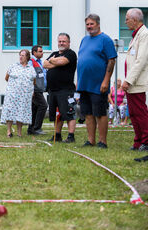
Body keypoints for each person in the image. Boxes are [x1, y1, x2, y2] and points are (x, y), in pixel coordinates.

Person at [76, 14, 117, 148]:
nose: (89, 27)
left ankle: (102, 141)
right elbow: (82, 60)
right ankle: (91, 140)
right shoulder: (84, 40)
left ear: (98, 24)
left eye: (91, 24)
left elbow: (111, 60)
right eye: (87, 24)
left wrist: (106, 81)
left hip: (99, 84)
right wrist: (78, 80)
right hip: (84, 83)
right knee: (87, 113)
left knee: (100, 113)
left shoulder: (105, 40)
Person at [122, 8, 148, 152]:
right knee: (132, 113)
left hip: (136, 82)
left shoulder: (144, 34)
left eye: (127, 19)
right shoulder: (136, 35)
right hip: (131, 82)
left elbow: (141, 60)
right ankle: (138, 141)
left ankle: (146, 141)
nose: (125, 22)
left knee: (140, 112)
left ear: (135, 20)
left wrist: (128, 80)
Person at [43, 33, 77, 143]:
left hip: (66, 90)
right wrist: (56, 61)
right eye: (60, 41)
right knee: (56, 114)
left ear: (68, 43)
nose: (61, 43)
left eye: (64, 41)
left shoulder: (71, 54)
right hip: (53, 90)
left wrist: (53, 61)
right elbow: (44, 64)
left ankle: (71, 136)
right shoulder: (54, 53)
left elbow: (62, 61)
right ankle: (57, 135)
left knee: (69, 113)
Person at [1, 49, 36, 137]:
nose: (20, 57)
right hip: (12, 94)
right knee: (10, 111)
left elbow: (34, 81)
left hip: (24, 95)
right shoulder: (13, 66)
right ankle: (9, 131)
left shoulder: (31, 69)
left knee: (21, 112)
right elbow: (6, 78)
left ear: (27, 57)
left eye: (23, 55)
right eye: (20, 55)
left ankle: (19, 132)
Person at [27, 45, 48, 135]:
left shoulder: (40, 62)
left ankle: (31, 129)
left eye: (42, 51)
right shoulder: (31, 62)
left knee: (34, 108)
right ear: (34, 52)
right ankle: (37, 128)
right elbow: (29, 76)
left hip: (39, 89)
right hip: (34, 89)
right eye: (40, 51)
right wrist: (31, 89)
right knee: (43, 106)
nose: (42, 53)